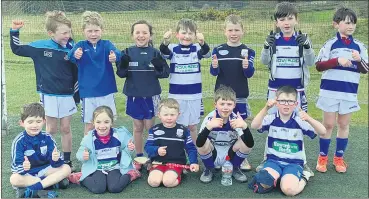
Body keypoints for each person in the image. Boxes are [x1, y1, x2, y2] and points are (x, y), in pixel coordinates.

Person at [10, 11, 79, 171]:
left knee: (66, 128)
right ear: (51, 33)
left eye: (69, 32)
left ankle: (67, 161)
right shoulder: (40, 47)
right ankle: (48, 159)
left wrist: (77, 95)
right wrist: (14, 31)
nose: (67, 35)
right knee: (51, 129)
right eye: (63, 33)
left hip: (66, 95)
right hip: (48, 95)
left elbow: (77, 71)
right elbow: (17, 49)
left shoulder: (72, 48)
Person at [257, 1, 316, 175]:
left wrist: (307, 46)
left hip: (296, 93)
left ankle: (302, 161)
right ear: (277, 22)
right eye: (282, 19)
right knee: (272, 126)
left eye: (290, 18)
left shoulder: (303, 39)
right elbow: (264, 62)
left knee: (299, 126)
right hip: (275, 92)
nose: (286, 23)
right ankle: (267, 158)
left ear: (296, 20)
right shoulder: (273, 39)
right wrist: (267, 48)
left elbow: (311, 62)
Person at [314, 7, 368, 173]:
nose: (351, 26)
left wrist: (358, 60)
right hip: (329, 92)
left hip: (349, 93)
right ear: (336, 24)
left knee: (343, 124)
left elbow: (365, 69)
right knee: (328, 125)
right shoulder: (330, 44)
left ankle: (339, 158)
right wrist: (336, 60)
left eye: (353, 23)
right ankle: (322, 157)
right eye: (347, 22)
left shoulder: (360, 46)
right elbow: (319, 66)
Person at [249, 85, 326, 196]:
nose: (286, 104)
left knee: (288, 190)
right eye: (283, 101)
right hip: (273, 161)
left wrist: (309, 118)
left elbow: (323, 131)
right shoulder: (271, 118)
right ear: (277, 102)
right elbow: (254, 125)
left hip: (293, 163)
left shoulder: (299, 120)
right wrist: (266, 108)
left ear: (295, 104)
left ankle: (304, 176)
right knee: (263, 182)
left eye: (290, 101)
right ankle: (278, 175)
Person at [116, 20, 170, 170]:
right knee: (138, 126)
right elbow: (121, 74)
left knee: (149, 127)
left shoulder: (155, 52)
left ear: (150, 35)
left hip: (151, 96)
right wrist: (123, 64)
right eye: (137, 32)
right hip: (134, 95)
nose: (141, 35)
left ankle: (153, 157)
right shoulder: (127, 52)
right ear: (132, 35)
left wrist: (159, 65)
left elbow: (165, 73)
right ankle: (140, 157)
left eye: (145, 32)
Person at [210, 14, 255, 171]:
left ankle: (242, 159)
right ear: (225, 31)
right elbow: (213, 73)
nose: (233, 33)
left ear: (243, 31)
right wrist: (214, 66)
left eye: (237, 30)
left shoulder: (248, 51)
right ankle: (217, 156)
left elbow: (249, 74)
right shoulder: (218, 50)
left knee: (240, 127)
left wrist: (246, 67)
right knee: (220, 127)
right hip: (222, 98)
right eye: (230, 30)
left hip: (240, 96)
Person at [68, 11, 121, 135]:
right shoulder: (80, 45)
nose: (93, 34)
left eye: (96, 30)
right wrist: (75, 54)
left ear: (101, 30)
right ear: (83, 31)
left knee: (110, 123)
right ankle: (89, 151)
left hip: (106, 91)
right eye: (89, 31)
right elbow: (70, 56)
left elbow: (117, 53)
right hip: (88, 93)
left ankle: (111, 148)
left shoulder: (107, 44)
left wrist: (115, 56)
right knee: (90, 125)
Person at [159, 18, 211, 143]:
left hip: (194, 95)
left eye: (190, 33)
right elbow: (163, 52)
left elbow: (207, 53)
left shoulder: (197, 48)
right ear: (177, 34)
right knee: (177, 126)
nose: (186, 36)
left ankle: (193, 152)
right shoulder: (172, 48)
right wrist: (165, 41)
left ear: (195, 35)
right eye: (183, 33)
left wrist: (203, 42)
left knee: (192, 126)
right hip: (177, 96)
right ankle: (179, 151)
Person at [10, 103, 71, 198]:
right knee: (14, 179)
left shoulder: (47, 137)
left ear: (44, 121)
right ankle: (51, 183)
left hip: (45, 170)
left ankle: (35, 188)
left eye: (38, 121)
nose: (34, 125)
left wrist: (56, 159)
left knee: (67, 168)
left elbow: (57, 162)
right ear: (22, 123)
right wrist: (24, 167)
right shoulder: (19, 141)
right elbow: (15, 168)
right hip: (28, 174)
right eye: (30, 122)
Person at [196, 85, 254, 183]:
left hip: (230, 154)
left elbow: (250, 144)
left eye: (229, 104)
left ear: (234, 105)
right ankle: (209, 168)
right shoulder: (210, 118)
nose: (225, 107)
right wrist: (208, 127)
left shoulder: (235, 119)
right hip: (213, 154)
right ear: (215, 104)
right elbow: (199, 143)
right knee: (203, 142)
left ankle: (235, 168)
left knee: (245, 142)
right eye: (222, 104)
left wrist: (245, 127)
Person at [76, 106, 140, 194]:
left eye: (106, 122)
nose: (102, 126)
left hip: (114, 167)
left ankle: (131, 174)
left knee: (115, 188)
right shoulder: (89, 138)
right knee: (98, 189)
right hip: (97, 168)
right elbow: (79, 153)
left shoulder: (118, 135)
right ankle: (80, 177)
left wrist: (130, 148)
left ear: (111, 123)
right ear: (93, 123)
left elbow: (127, 152)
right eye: (98, 122)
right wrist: (83, 156)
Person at [144, 98, 199, 187]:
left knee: (168, 182)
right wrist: (156, 150)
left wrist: (193, 162)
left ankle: (180, 173)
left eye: (172, 115)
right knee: (154, 182)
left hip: (176, 163)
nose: (169, 118)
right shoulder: (154, 130)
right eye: (165, 115)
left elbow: (191, 148)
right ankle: (156, 172)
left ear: (178, 115)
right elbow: (147, 147)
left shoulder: (183, 130)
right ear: (159, 115)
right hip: (158, 162)